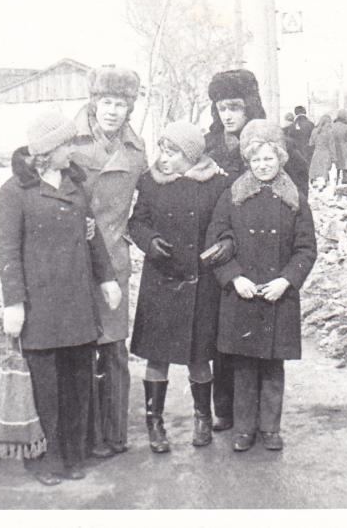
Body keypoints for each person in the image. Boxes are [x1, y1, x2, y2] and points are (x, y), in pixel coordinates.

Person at [0, 109, 122, 485]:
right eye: (68, 144)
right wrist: (13, 302)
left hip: (77, 302)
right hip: (41, 307)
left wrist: (107, 279)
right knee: (46, 388)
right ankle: (45, 461)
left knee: (78, 382)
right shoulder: (14, 192)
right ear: (49, 150)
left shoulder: (74, 184)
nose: (73, 150)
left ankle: (72, 455)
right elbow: (7, 250)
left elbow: (92, 235)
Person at [203, 68, 309, 433]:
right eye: (221, 108)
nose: (228, 115)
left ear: (250, 106)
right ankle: (227, 410)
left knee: (265, 346)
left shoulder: (280, 147)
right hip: (223, 255)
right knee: (224, 338)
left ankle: (264, 420)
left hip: (270, 258)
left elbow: (297, 210)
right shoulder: (210, 147)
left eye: (235, 107)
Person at [128, 121, 232, 453]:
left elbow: (227, 224)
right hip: (161, 280)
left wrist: (226, 243)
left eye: (172, 152)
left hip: (200, 283)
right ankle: (154, 422)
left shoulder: (218, 183)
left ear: (191, 155)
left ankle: (203, 418)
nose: (164, 158)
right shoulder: (151, 182)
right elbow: (137, 221)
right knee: (156, 358)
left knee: (199, 357)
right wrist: (149, 241)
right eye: (162, 150)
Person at [69, 66, 147, 458]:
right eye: (107, 102)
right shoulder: (69, 142)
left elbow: (153, 191)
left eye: (121, 104)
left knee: (114, 349)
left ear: (130, 108)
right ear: (94, 103)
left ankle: (115, 434)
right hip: (74, 259)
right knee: (79, 348)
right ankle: (84, 435)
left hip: (113, 258)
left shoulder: (136, 149)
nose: (113, 111)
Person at [308, 114, 334, 189]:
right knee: (324, 170)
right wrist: (333, 157)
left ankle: (314, 183)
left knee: (315, 170)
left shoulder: (314, 131)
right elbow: (331, 145)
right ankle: (323, 184)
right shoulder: (329, 132)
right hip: (326, 153)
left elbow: (311, 143)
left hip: (316, 153)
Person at [329, 109, 347, 184]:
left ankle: (336, 180)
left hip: (334, 148)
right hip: (344, 149)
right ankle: (344, 180)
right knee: (345, 166)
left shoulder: (332, 126)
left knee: (336, 166)